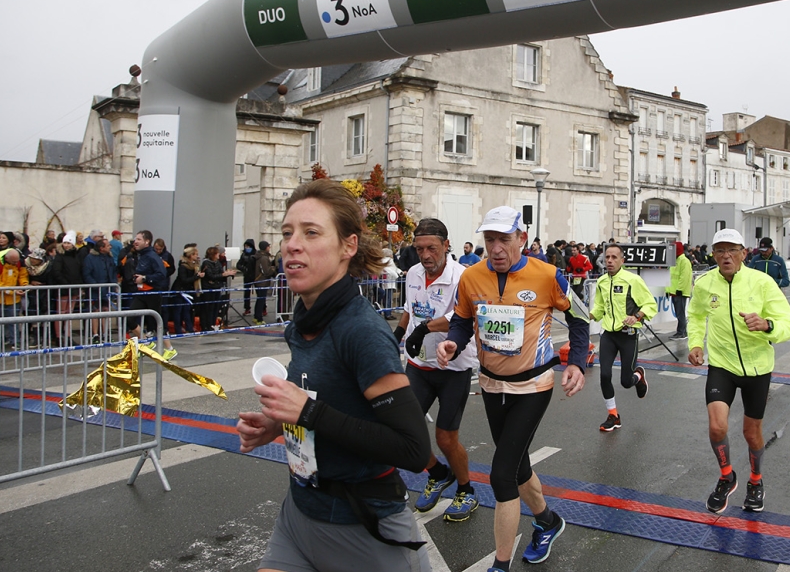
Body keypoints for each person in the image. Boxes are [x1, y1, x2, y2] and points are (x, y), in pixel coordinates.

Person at [236, 179, 432, 572]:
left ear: (348, 246)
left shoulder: (361, 331)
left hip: (365, 529)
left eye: (311, 233)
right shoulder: (303, 321)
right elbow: (330, 400)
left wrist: (307, 412)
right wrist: (275, 426)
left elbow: (414, 450)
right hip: (299, 515)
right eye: (287, 233)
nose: (292, 244)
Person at [436, 206, 589, 571]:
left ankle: (499, 566)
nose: (496, 248)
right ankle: (549, 522)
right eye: (490, 240)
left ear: (522, 239)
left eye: (504, 239)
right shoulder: (471, 277)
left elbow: (581, 319)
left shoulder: (549, 275)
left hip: (533, 385)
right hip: (490, 384)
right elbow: (461, 321)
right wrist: (453, 343)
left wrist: (578, 363)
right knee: (518, 468)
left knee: (502, 474)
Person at [687, 229, 790, 514]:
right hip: (722, 365)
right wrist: (696, 343)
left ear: (743, 253)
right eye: (720, 250)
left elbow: (788, 323)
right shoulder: (704, 283)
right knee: (716, 426)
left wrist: (767, 325)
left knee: (751, 433)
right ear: (713, 255)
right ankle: (727, 476)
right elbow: (696, 315)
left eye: (732, 250)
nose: (726, 256)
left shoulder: (762, 282)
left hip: (757, 368)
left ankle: (756, 481)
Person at [393, 218, 479, 522]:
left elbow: (461, 316)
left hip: (453, 367)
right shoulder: (414, 273)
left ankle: (466, 490)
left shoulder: (463, 277)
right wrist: (398, 334)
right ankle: (438, 472)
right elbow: (409, 308)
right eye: (419, 249)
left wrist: (425, 329)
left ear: (446, 245)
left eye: (431, 248)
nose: (425, 255)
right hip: (419, 364)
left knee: (445, 437)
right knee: (402, 429)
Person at [590, 243, 656, 432]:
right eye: (607, 258)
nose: (609, 261)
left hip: (628, 334)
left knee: (626, 382)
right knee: (604, 375)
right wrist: (589, 315)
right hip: (609, 335)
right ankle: (613, 415)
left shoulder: (632, 280)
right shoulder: (602, 281)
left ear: (622, 260)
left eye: (614, 258)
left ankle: (639, 376)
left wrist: (636, 316)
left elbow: (650, 304)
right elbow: (600, 307)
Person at [128, 230, 169, 339]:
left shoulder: (152, 256)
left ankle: (169, 348)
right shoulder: (140, 255)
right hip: (141, 293)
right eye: (135, 239)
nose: (135, 242)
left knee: (157, 323)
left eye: (139, 239)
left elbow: (162, 274)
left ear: (147, 242)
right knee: (129, 319)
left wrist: (145, 278)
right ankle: (146, 340)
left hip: (152, 292)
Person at [0, 249, 29, 349]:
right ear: (6, 258)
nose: (16, 263)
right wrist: (12, 291)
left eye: (17, 261)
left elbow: (23, 276)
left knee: (13, 321)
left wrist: (24, 285)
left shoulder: (20, 263)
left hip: (14, 298)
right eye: (14, 261)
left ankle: (16, 341)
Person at [169, 244, 203, 335]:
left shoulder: (194, 265)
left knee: (187, 310)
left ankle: (189, 328)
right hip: (180, 290)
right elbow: (184, 280)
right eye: (195, 254)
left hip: (188, 291)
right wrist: (196, 277)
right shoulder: (183, 266)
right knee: (178, 310)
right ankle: (178, 329)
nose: (197, 256)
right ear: (191, 255)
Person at [199, 245, 235, 330]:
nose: (219, 255)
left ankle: (213, 323)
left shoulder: (217, 262)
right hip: (208, 287)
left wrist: (227, 274)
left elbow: (220, 273)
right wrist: (222, 275)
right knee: (208, 307)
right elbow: (210, 275)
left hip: (217, 287)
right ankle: (207, 325)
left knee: (216, 306)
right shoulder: (206, 263)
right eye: (217, 253)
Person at [668, 241, 693, 339]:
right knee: (679, 313)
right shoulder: (676, 260)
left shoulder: (684, 261)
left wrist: (679, 289)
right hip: (676, 292)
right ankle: (681, 331)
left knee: (680, 313)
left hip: (680, 292)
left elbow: (684, 277)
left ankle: (681, 332)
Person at [253, 241, 276, 325]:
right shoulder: (264, 258)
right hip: (262, 281)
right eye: (268, 247)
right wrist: (273, 269)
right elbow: (266, 271)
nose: (269, 248)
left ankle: (256, 316)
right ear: (265, 247)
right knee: (261, 300)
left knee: (260, 299)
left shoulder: (259, 256)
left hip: (259, 281)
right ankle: (259, 318)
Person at [237, 239, 258, 314]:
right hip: (247, 276)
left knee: (259, 292)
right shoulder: (243, 255)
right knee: (246, 293)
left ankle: (263, 308)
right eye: (246, 246)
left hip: (256, 276)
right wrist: (244, 269)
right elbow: (238, 265)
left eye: (248, 246)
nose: (247, 248)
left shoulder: (256, 254)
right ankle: (247, 308)